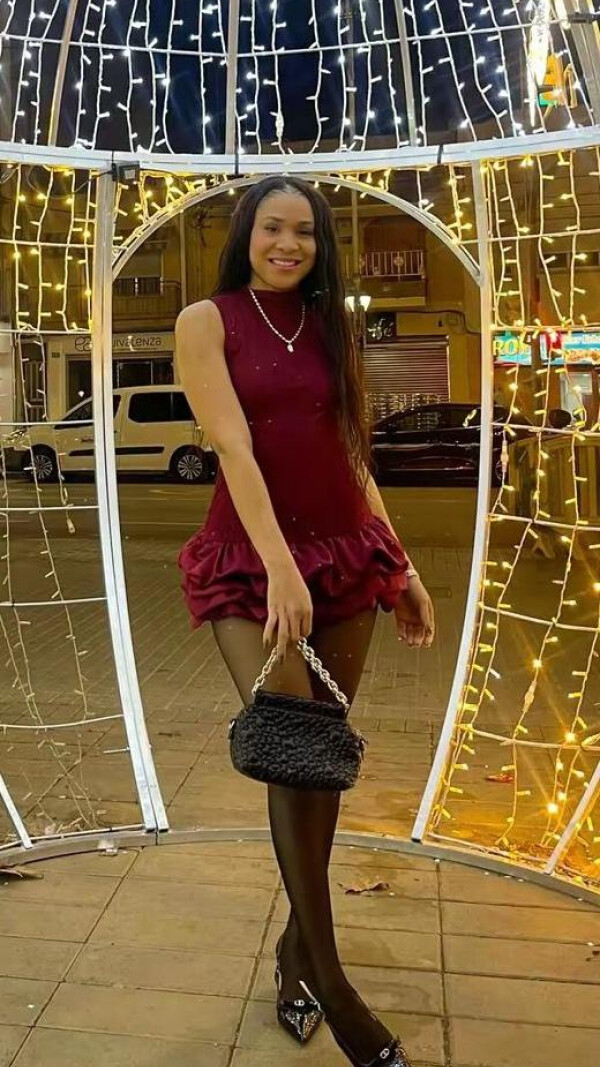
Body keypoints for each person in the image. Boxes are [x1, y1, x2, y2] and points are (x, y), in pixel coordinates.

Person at [175, 175, 435, 1067]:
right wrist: (280, 565)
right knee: (291, 747)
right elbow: (234, 445)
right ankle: (333, 982)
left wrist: (402, 564)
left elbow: (350, 452)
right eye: (272, 228)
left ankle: (296, 955)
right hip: (251, 562)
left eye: (305, 232)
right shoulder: (206, 321)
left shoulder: (329, 326)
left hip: (347, 557)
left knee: (320, 766)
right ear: (245, 234)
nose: (288, 244)